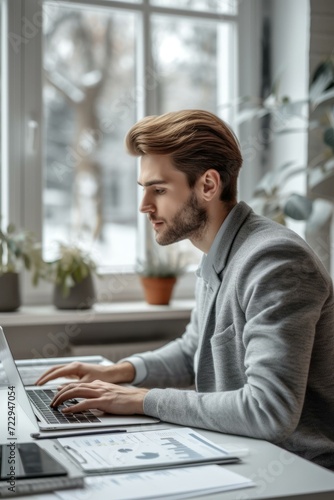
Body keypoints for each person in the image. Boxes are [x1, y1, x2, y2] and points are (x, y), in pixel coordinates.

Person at [36, 109, 334, 470]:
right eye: (144, 189)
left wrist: (140, 399)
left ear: (208, 185)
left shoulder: (274, 260)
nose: (145, 206)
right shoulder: (221, 253)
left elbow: (268, 410)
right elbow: (196, 350)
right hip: (248, 450)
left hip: (300, 470)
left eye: (158, 190)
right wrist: (121, 372)